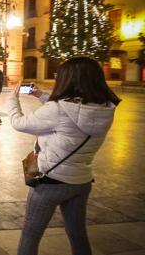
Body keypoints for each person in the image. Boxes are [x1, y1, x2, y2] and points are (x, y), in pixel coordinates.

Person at [8, 57, 120, 255]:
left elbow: (19, 123)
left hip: (51, 182)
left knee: (31, 234)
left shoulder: (57, 109)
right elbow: (73, 110)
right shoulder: (104, 108)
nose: (57, 77)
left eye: (60, 74)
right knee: (77, 233)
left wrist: (12, 99)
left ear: (69, 79)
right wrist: (41, 95)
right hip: (81, 181)